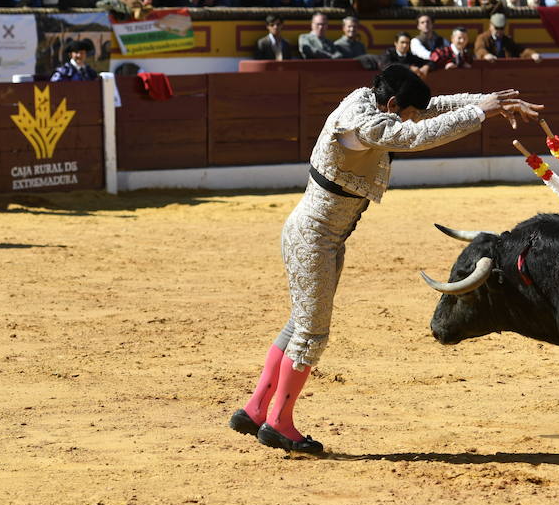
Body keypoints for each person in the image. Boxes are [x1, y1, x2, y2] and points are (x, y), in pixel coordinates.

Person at [228, 65, 542, 454]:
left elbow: (429, 110)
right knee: (311, 333)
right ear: (393, 104)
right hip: (314, 239)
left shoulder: (367, 99)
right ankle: (278, 423)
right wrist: (478, 113)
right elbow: (414, 134)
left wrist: (487, 104)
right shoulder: (365, 123)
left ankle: (256, 408)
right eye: (406, 111)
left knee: (300, 325)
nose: (411, 117)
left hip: (318, 236)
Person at [473, 12, 541, 61]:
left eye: (501, 28)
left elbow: (520, 51)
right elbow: (479, 49)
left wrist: (532, 54)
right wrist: (485, 55)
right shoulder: (483, 38)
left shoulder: (507, 39)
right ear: (490, 26)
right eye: (496, 28)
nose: (499, 31)